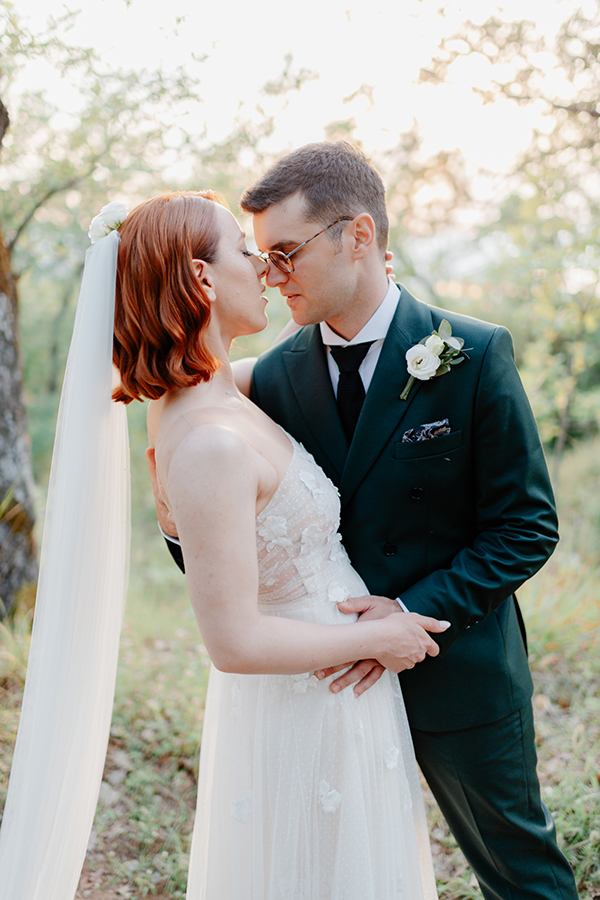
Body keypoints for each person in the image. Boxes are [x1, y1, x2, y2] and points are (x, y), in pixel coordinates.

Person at [158, 143, 580, 900]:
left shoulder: (473, 353)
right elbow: (223, 513)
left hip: (459, 670)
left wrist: (411, 614)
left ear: (358, 236)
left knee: (521, 871)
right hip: (325, 690)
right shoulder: (270, 379)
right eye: (260, 256)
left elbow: (526, 525)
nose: (271, 274)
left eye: (286, 253)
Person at [0, 190, 447, 900]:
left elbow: (322, 376)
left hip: (332, 697)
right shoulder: (208, 442)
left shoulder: (222, 393)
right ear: (203, 279)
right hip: (308, 705)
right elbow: (232, 641)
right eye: (246, 251)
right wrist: (379, 638)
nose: (266, 270)